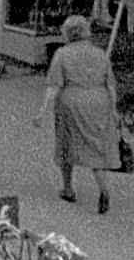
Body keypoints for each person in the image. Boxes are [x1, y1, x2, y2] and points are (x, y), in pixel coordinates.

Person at [37, 14, 115, 213]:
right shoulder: (100, 54)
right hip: (98, 101)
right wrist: (113, 110)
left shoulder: (62, 54)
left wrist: (42, 111)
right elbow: (111, 85)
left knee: (66, 145)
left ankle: (68, 188)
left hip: (71, 102)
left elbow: (54, 86)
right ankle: (104, 189)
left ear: (67, 33)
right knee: (95, 147)